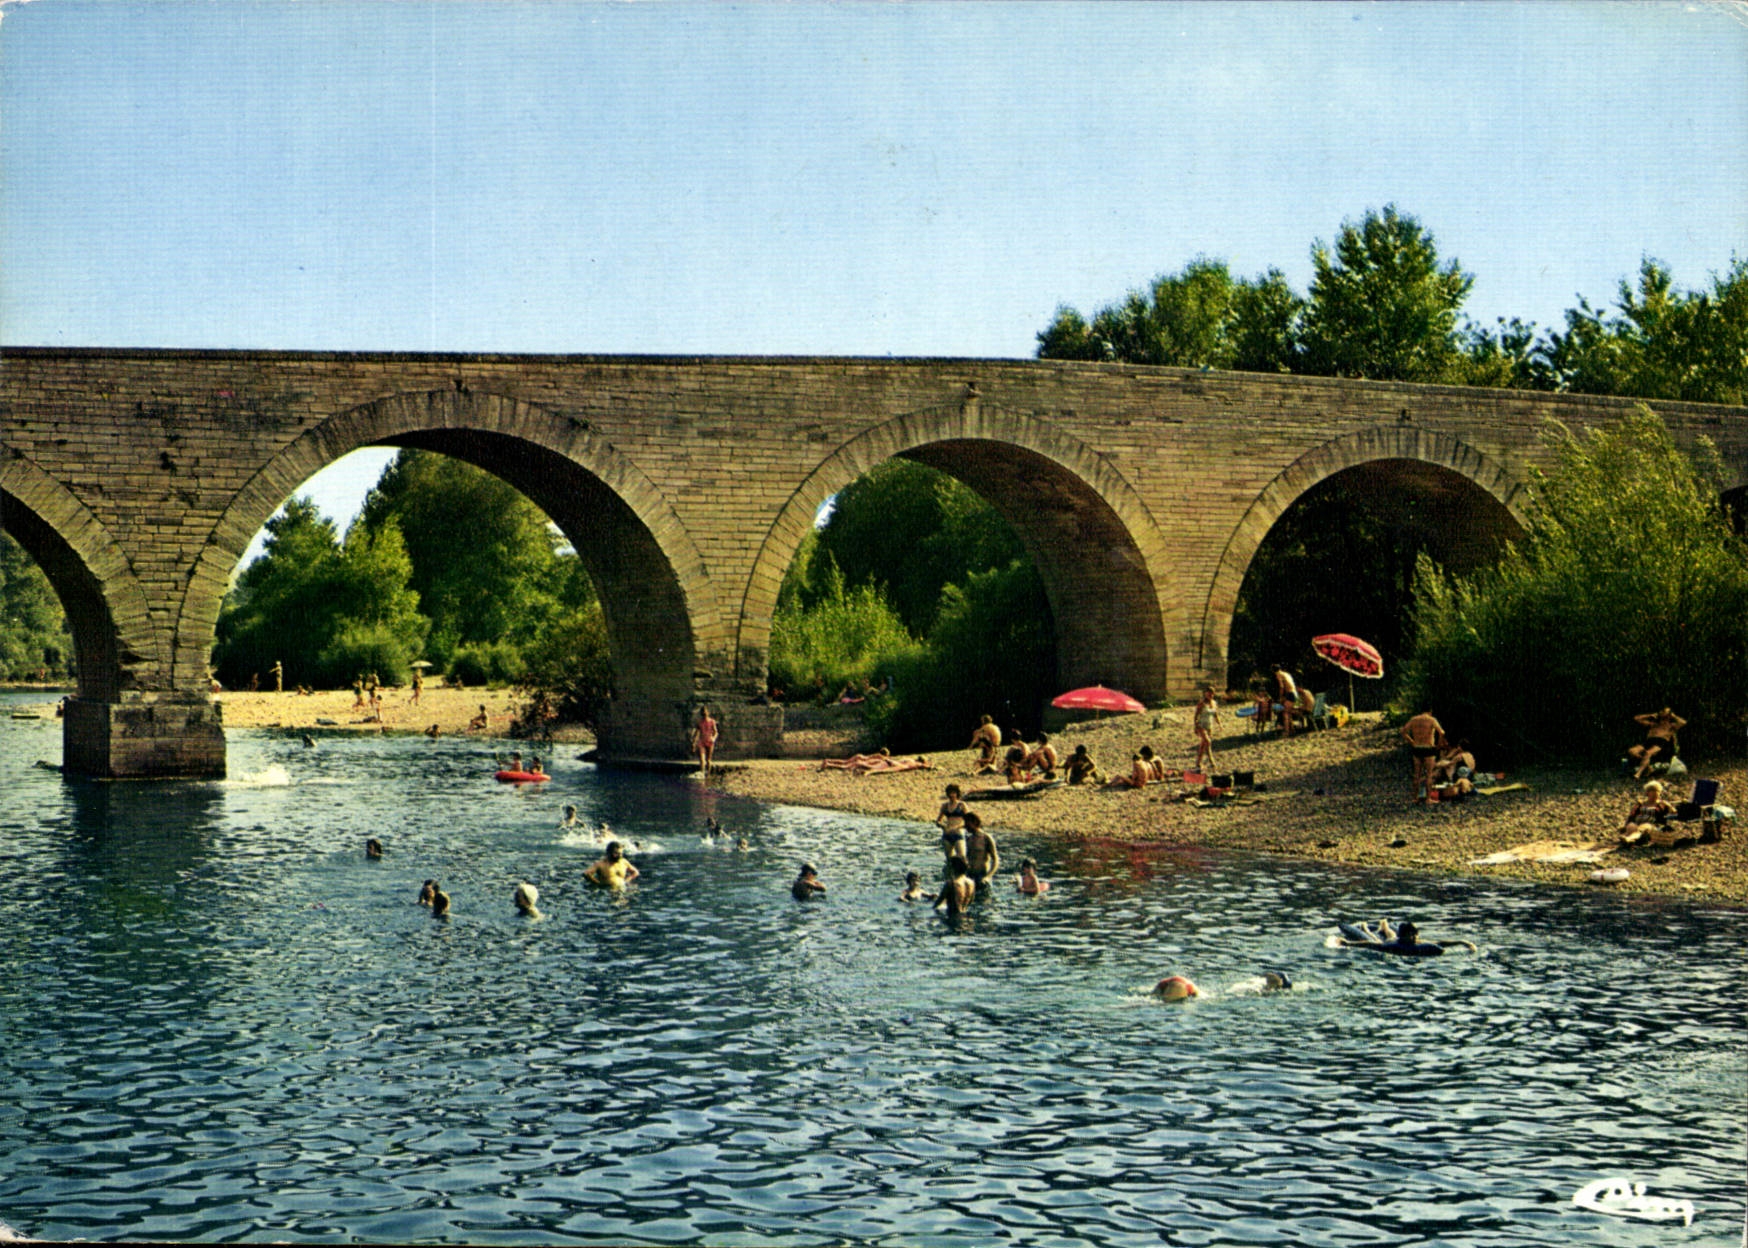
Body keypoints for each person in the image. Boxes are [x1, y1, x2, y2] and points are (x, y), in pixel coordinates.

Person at [1400, 708, 1447, 802]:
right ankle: (1428, 798)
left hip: (1417, 748)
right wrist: (1439, 744)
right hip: (1428, 748)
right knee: (1429, 774)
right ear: (1430, 711)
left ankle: (1415, 797)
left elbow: (1403, 731)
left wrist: (1412, 742)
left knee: (1417, 774)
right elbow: (1442, 732)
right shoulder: (1432, 720)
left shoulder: (1414, 719)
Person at [1627, 707, 1686, 779]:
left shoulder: (1671, 726)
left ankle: (1638, 774)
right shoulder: (1653, 724)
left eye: (1665, 712)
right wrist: (1650, 715)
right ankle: (1648, 767)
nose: (1662, 713)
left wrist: (1673, 716)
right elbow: (1636, 718)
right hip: (1649, 742)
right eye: (1662, 711)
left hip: (1661, 743)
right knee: (1632, 751)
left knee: (1648, 753)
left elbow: (1683, 722)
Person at [1618, 780, 1675, 845]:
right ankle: (1631, 840)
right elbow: (1632, 815)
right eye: (1652, 794)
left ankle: (1629, 839)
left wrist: (1669, 806)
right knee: (1631, 826)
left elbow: (1674, 813)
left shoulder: (1662, 804)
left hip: (1651, 825)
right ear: (1647, 793)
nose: (1654, 797)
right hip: (1637, 823)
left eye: (1656, 794)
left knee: (1643, 828)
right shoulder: (1641, 803)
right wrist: (1626, 825)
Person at [962, 811, 1000, 889]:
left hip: (982, 876)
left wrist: (988, 877)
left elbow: (996, 860)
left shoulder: (986, 838)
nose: (965, 826)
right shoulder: (969, 839)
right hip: (969, 875)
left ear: (974, 822)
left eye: (967, 823)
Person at [1192, 685, 1219, 773]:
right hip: (1201, 725)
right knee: (1207, 741)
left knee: (1204, 745)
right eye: (1208, 694)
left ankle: (1199, 763)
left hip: (1209, 726)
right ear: (1205, 694)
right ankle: (1211, 761)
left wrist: (1219, 723)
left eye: (1211, 694)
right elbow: (1196, 715)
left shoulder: (1214, 703)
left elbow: (1215, 714)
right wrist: (1196, 726)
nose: (1210, 696)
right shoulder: (1202, 703)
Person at [1273, 664, 1299, 737]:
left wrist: (1280, 697)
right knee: (1288, 712)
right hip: (1294, 693)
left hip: (1290, 694)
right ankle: (1292, 730)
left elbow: (1281, 687)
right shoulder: (1286, 674)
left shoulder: (1278, 674)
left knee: (1285, 713)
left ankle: (1286, 732)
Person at [694, 707, 719, 776]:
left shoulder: (712, 721)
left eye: (705, 712)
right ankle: (702, 774)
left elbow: (716, 732)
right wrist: (694, 743)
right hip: (701, 742)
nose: (704, 714)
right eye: (703, 713)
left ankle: (708, 775)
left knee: (708, 760)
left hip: (709, 742)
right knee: (702, 760)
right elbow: (697, 733)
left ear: (708, 713)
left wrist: (713, 738)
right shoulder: (700, 722)